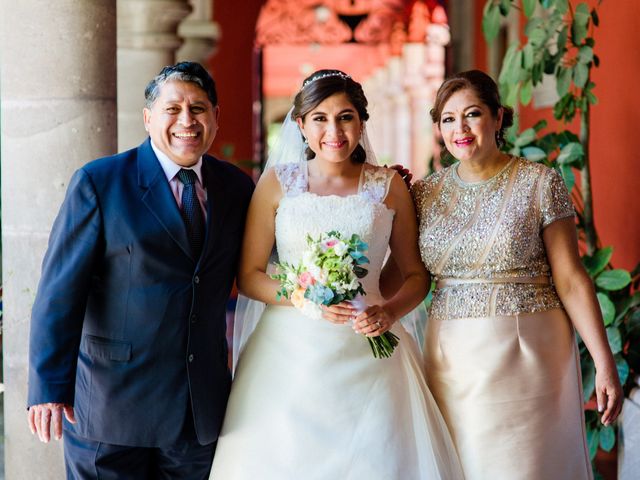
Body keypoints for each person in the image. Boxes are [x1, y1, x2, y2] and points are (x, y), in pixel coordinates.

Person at [209, 70, 463, 479]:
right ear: (300, 124)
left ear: (362, 122)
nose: (334, 131)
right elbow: (251, 275)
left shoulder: (388, 186)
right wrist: (302, 297)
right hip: (288, 358)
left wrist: (389, 312)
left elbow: (417, 275)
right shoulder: (277, 184)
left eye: (345, 117)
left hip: (371, 350)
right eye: (320, 118)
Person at [27, 62, 254, 478]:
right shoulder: (100, 182)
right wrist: (47, 388)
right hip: (110, 408)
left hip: (197, 411)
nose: (187, 121)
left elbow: (260, 270)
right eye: (173, 109)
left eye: (199, 108)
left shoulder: (238, 189)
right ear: (148, 118)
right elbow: (59, 292)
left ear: (217, 118)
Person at [410, 69, 623, 479]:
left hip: (526, 354)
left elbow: (571, 277)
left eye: (472, 114)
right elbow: (410, 277)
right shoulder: (423, 193)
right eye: (448, 119)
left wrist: (603, 360)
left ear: (499, 117)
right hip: (448, 356)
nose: (461, 129)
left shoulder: (540, 182)